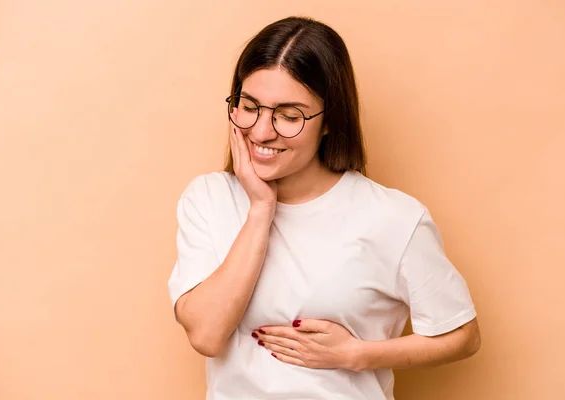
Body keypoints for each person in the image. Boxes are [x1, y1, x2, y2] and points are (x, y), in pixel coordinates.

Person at [167, 16, 481, 400]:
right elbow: (207, 334)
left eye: (288, 116)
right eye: (249, 106)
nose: (262, 132)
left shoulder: (392, 217)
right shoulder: (209, 199)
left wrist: (357, 355)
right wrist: (262, 209)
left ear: (330, 120)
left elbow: (462, 336)